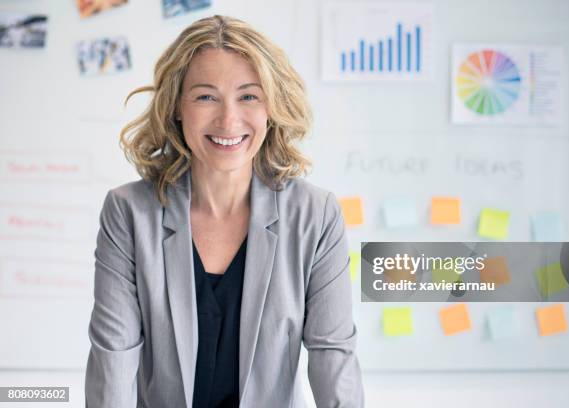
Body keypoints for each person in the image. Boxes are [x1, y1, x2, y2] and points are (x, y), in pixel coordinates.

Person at [85, 15, 364, 408]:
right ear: (177, 107)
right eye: (205, 96)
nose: (229, 119)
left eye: (248, 96)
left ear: (271, 107)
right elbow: (112, 359)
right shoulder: (129, 213)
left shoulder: (315, 215)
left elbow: (333, 358)